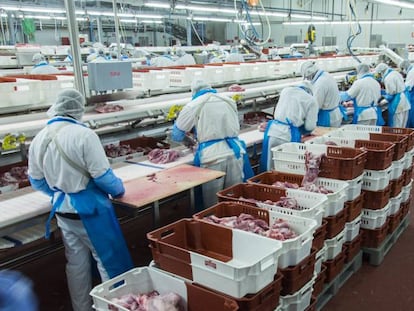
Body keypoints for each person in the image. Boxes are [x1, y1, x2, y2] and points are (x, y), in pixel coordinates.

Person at [28, 89, 133, 311]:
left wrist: (61, 193)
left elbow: (36, 181)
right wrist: (119, 189)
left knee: (76, 264)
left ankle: (81, 307)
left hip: (62, 210)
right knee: (107, 261)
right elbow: (103, 176)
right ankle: (113, 307)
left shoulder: (39, 138)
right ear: (78, 109)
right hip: (91, 211)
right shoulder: (84, 135)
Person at [171, 80, 253, 208]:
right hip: (235, 153)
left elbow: (177, 134)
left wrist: (189, 142)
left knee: (213, 205)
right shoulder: (228, 100)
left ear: (193, 92)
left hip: (212, 158)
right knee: (233, 200)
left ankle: (215, 226)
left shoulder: (193, 105)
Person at [260, 80, 318, 172]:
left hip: (273, 132)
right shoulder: (311, 100)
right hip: (288, 136)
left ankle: (267, 184)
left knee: (270, 168)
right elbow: (309, 127)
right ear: (310, 92)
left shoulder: (285, 90)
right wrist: (303, 129)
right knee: (286, 169)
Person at [300, 61, 346, 127]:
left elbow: (316, 106)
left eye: (307, 77)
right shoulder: (326, 75)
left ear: (310, 73)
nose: (308, 79)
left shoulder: (320, 84)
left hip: (328, 119)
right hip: (336, 114)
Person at [375, 62, 410, 127]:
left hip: (398, 103)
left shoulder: (388, 78)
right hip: (405, 100)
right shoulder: (395, 73)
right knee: (403, 125)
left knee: (397, 126)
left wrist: (380, 103)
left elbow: (391, 95)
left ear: (381, 72)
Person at [400, 59, 414, 127]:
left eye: (402, 68)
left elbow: (408, 86)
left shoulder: (412, 72)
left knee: (412, 115)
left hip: (412, 97)